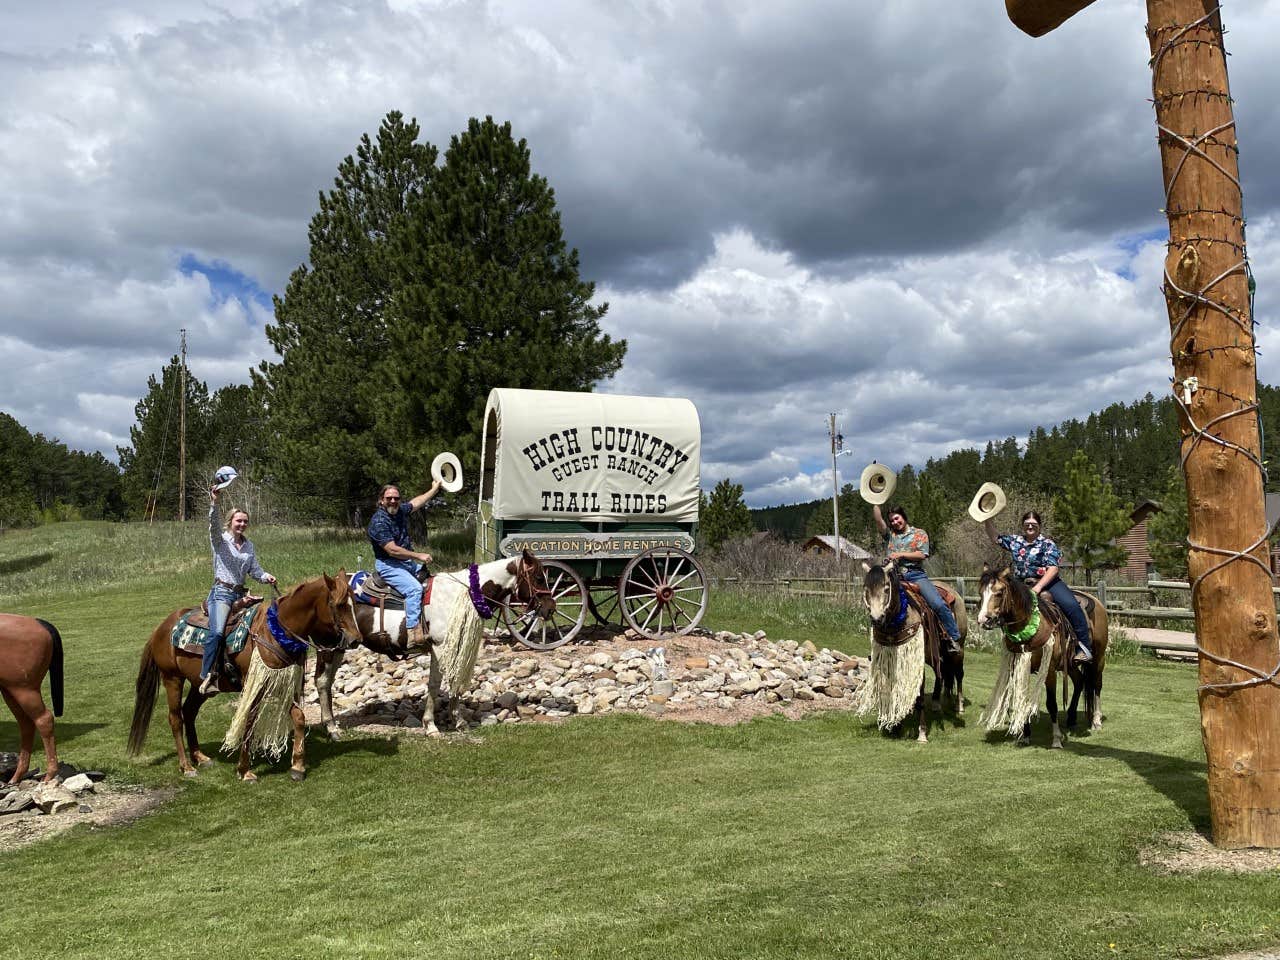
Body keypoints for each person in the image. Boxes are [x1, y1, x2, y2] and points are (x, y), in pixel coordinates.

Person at [982, 510, 1092, 663]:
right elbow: (995, 538)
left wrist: (1038, 587)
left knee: (1071, 605)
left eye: (1034, 524)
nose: (1030, 526)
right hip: (1021, 584)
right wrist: (987, 519)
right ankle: (1008, 639)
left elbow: (1053, 569)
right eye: (1027, 524)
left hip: (1048, 582)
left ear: (1039, 526)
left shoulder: (1047, 544)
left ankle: (1084, 648)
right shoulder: (1016, 541)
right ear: (1023, 526)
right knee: (1003, 604)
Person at [199, 481, 277, 694]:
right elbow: (213, 526)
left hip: (241, 594)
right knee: (216, 632)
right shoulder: (220, 540)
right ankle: (208, 676)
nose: (242, 524)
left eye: (245, 522)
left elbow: (254, 570)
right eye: (238, 521)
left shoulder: (248, 545)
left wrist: (266, 576)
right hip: (221, 594)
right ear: (230, 522)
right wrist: (214, 503)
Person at [873, 504, 962, 654]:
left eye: (897, 518)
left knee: (938, 604)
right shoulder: (890, 535)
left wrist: (900, 554)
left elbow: (922, 554)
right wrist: (875, 500)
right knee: (876, 603)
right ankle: (879, 642)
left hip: (915, 575)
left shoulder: (919, 534)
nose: (894, 522)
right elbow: (878, 520)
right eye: (892, 521)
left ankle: (953, 638)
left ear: (903, 517)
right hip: (893, 576)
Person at [366, 480, 442, 647]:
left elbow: (417, 502)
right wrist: (418, 555)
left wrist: (434, 489)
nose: (393, 501)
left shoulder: (399, 511)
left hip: (405, 563)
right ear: (381, 500)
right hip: (389, 565)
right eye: (389, 498)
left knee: (431, 580)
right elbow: (392, 550)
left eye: (396, 498)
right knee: (414, 589)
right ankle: (412, 633)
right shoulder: (379, 521)